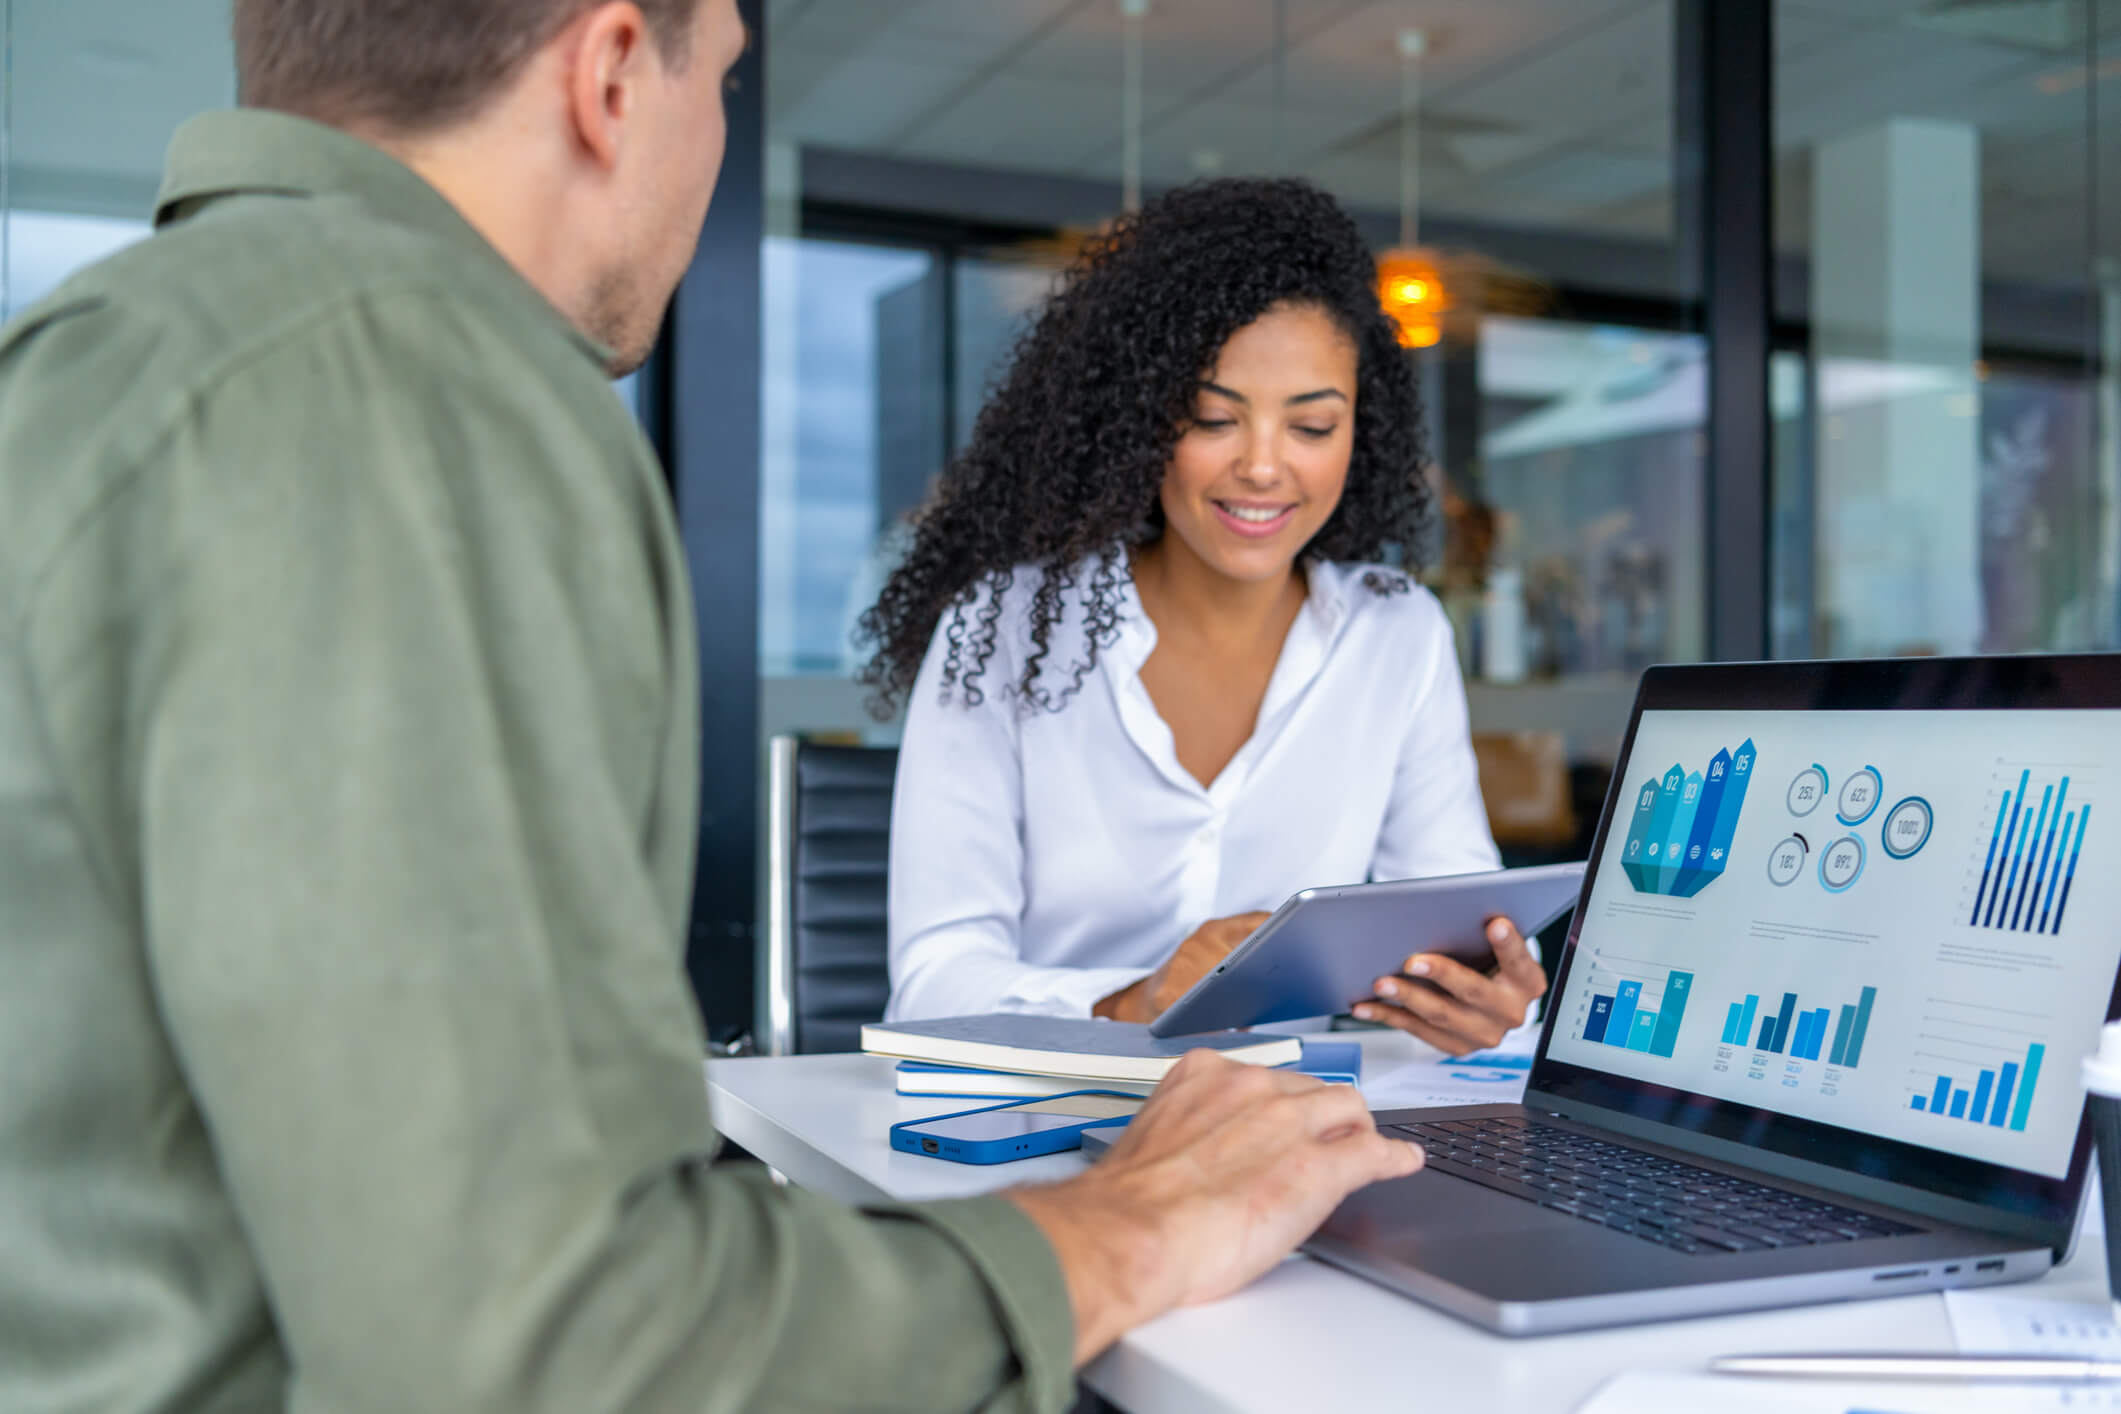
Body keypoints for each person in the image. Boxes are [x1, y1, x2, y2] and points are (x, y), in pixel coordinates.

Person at [0, 3, 1424, 1410]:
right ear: (617, 70)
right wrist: (1130, 1229)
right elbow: (551, 1337)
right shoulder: (397, 385)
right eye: (726, 82)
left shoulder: (109, 354)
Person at [864, 180, 1549, 1055]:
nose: (1263, 467)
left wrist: (1486, 996)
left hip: (1293, 1130)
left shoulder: (1397, 633)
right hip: (1035, 1133)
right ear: (1141, 422)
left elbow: (1460, 912)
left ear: (1358, 436)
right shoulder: (1001, 630)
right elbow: (931, 986)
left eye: (1310, 426)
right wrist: (1137, 1000)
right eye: (1214, 418)